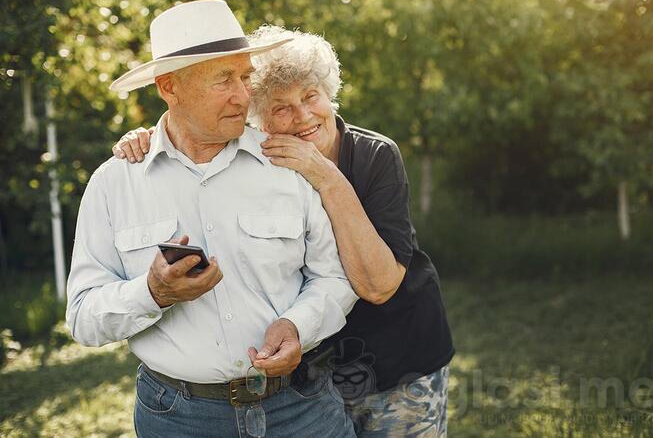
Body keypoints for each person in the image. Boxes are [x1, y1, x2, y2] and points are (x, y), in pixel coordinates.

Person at [115, 24, 455, 437]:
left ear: (328, 93)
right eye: (280, 107)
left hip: (398, 362)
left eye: (311, 96)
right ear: (257, 118)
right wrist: (153, 138)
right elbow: (196, 132)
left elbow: (380, 286)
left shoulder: (374, 156)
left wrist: (326, 176)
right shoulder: (263, 162)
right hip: (309, 380)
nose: (303, 116)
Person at [67, 0, 359, 438]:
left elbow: (335, 277)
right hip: (178, 419)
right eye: (223, 78)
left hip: (302, 408)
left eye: (245, 76)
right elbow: (83, 317)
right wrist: (152, 292)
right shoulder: (114, 184)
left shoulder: (286, 163)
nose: (243, 94)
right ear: (170, 87)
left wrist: (298, 325)